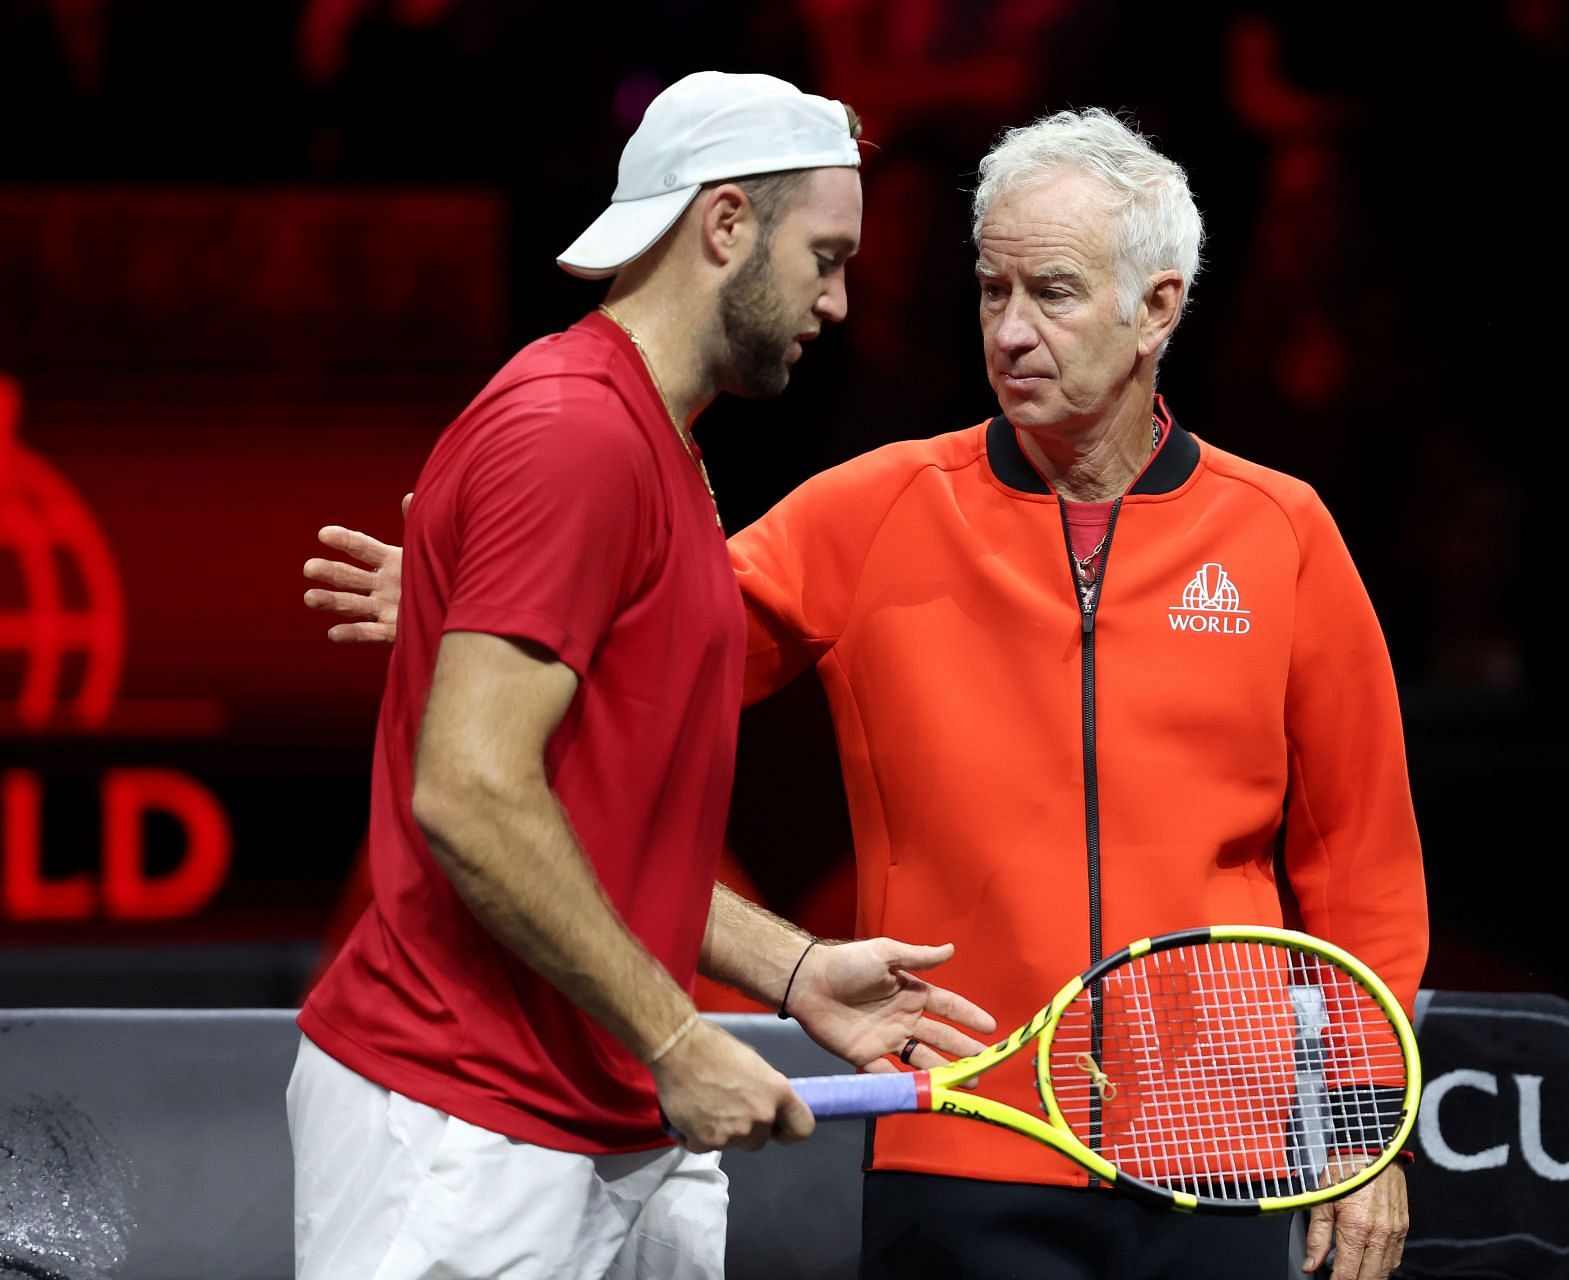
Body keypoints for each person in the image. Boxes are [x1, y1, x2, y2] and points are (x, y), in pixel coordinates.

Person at [305, 108, 1426, 1280]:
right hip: (963, 1137)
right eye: (992, 292)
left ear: (1157, 308)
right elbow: (652, 666)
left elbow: (1361, 860)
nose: (1012, 331)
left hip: (1220, 1150)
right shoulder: (875, 508)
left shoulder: (1283, 532)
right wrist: (484, 603)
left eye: (1052, 292)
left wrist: (1367, 1120)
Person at [289, 70, 992, 1280]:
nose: (837, 299)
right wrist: (676, 1033)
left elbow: (602, 825)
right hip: (469, 1131)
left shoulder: (653, 445)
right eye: (824, 256)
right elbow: (470, 792)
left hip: (609, 1124)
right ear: (725, 226)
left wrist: (793, 969)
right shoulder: (576, 433)